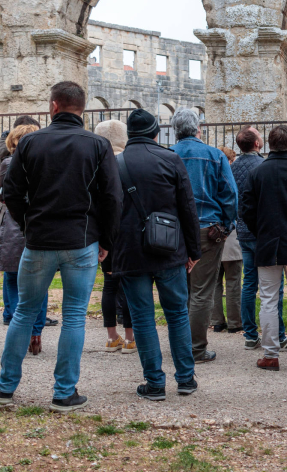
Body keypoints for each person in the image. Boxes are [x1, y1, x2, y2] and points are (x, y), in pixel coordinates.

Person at [0, 81, 122, 413]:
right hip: (81, 241)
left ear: (53, 106)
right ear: (82, 108)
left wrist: (27, 225)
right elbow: (112, 198)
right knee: (75, 317)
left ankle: (5, 388)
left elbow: (11, 191)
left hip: (38, 241)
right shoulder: (97, 144)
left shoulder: (31, 142)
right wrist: (105, 241)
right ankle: (63, 392)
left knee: (23, 312)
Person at [111, 109, 201, 400]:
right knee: (176, 314)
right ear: (155, 132)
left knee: (142, 317)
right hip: (169, 248)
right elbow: (188, 207)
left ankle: (154, 383)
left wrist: (109, 254)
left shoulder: (116, 163)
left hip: (130, 252)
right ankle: (186, 378)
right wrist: (193, 250)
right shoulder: (170, 159)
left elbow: (106, 211)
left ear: (129, 134)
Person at [241, 125, 287, 372]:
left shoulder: (258, 172)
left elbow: (246, 209)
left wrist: (259, 231)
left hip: (268, 241)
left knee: (269, 300)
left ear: (269, 144)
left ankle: (271, 355)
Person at [172, 108, 237, 364]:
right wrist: (226, 225)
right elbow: (230, 195)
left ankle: (183, 346)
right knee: (201, 291)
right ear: (199, 129)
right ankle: (195, 349)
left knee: (182, 291)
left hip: (175, 230)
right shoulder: (215, 155)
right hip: (207, 229)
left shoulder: (169, 155)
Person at [0, 115, 58, 329]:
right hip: (23, 217)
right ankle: (30, 319)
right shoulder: (15, 158)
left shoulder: (2, 154)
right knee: (34, 273)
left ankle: (13, 314)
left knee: (12, 269)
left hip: (9, 215)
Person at [232, 126, 287, 351]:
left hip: (244, 231)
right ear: (257, 144)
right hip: (264, 232)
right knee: (273, 288)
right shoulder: (261, 167)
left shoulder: (234, 166)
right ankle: (277, 335)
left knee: (249, 283)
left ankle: (250, 333)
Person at [93, 120, 135, 354]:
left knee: (109, 284)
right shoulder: (128, 162)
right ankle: (130, 338)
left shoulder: (97, 164)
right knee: (128, 285)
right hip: (127, 231)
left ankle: (112, 337)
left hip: (104, 232)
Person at [211, 146, 244, 334]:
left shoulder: (209, 179)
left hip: (212, 235)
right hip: (230, 235)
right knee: (233, 282)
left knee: (215, 282)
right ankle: (234, 322)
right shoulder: (231, 180)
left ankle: (217, 321)